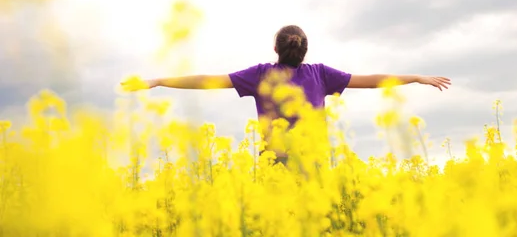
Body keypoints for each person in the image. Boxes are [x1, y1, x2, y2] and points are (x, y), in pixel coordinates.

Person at [124, 25, 451, 166]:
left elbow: (207, 80)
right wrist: (416, 78)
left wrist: (159, 81)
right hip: (315, 161)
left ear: (275, 49)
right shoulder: (321, 74)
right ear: (305, 51)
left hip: (274, 162)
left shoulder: (261, 75)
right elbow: (374, 80)